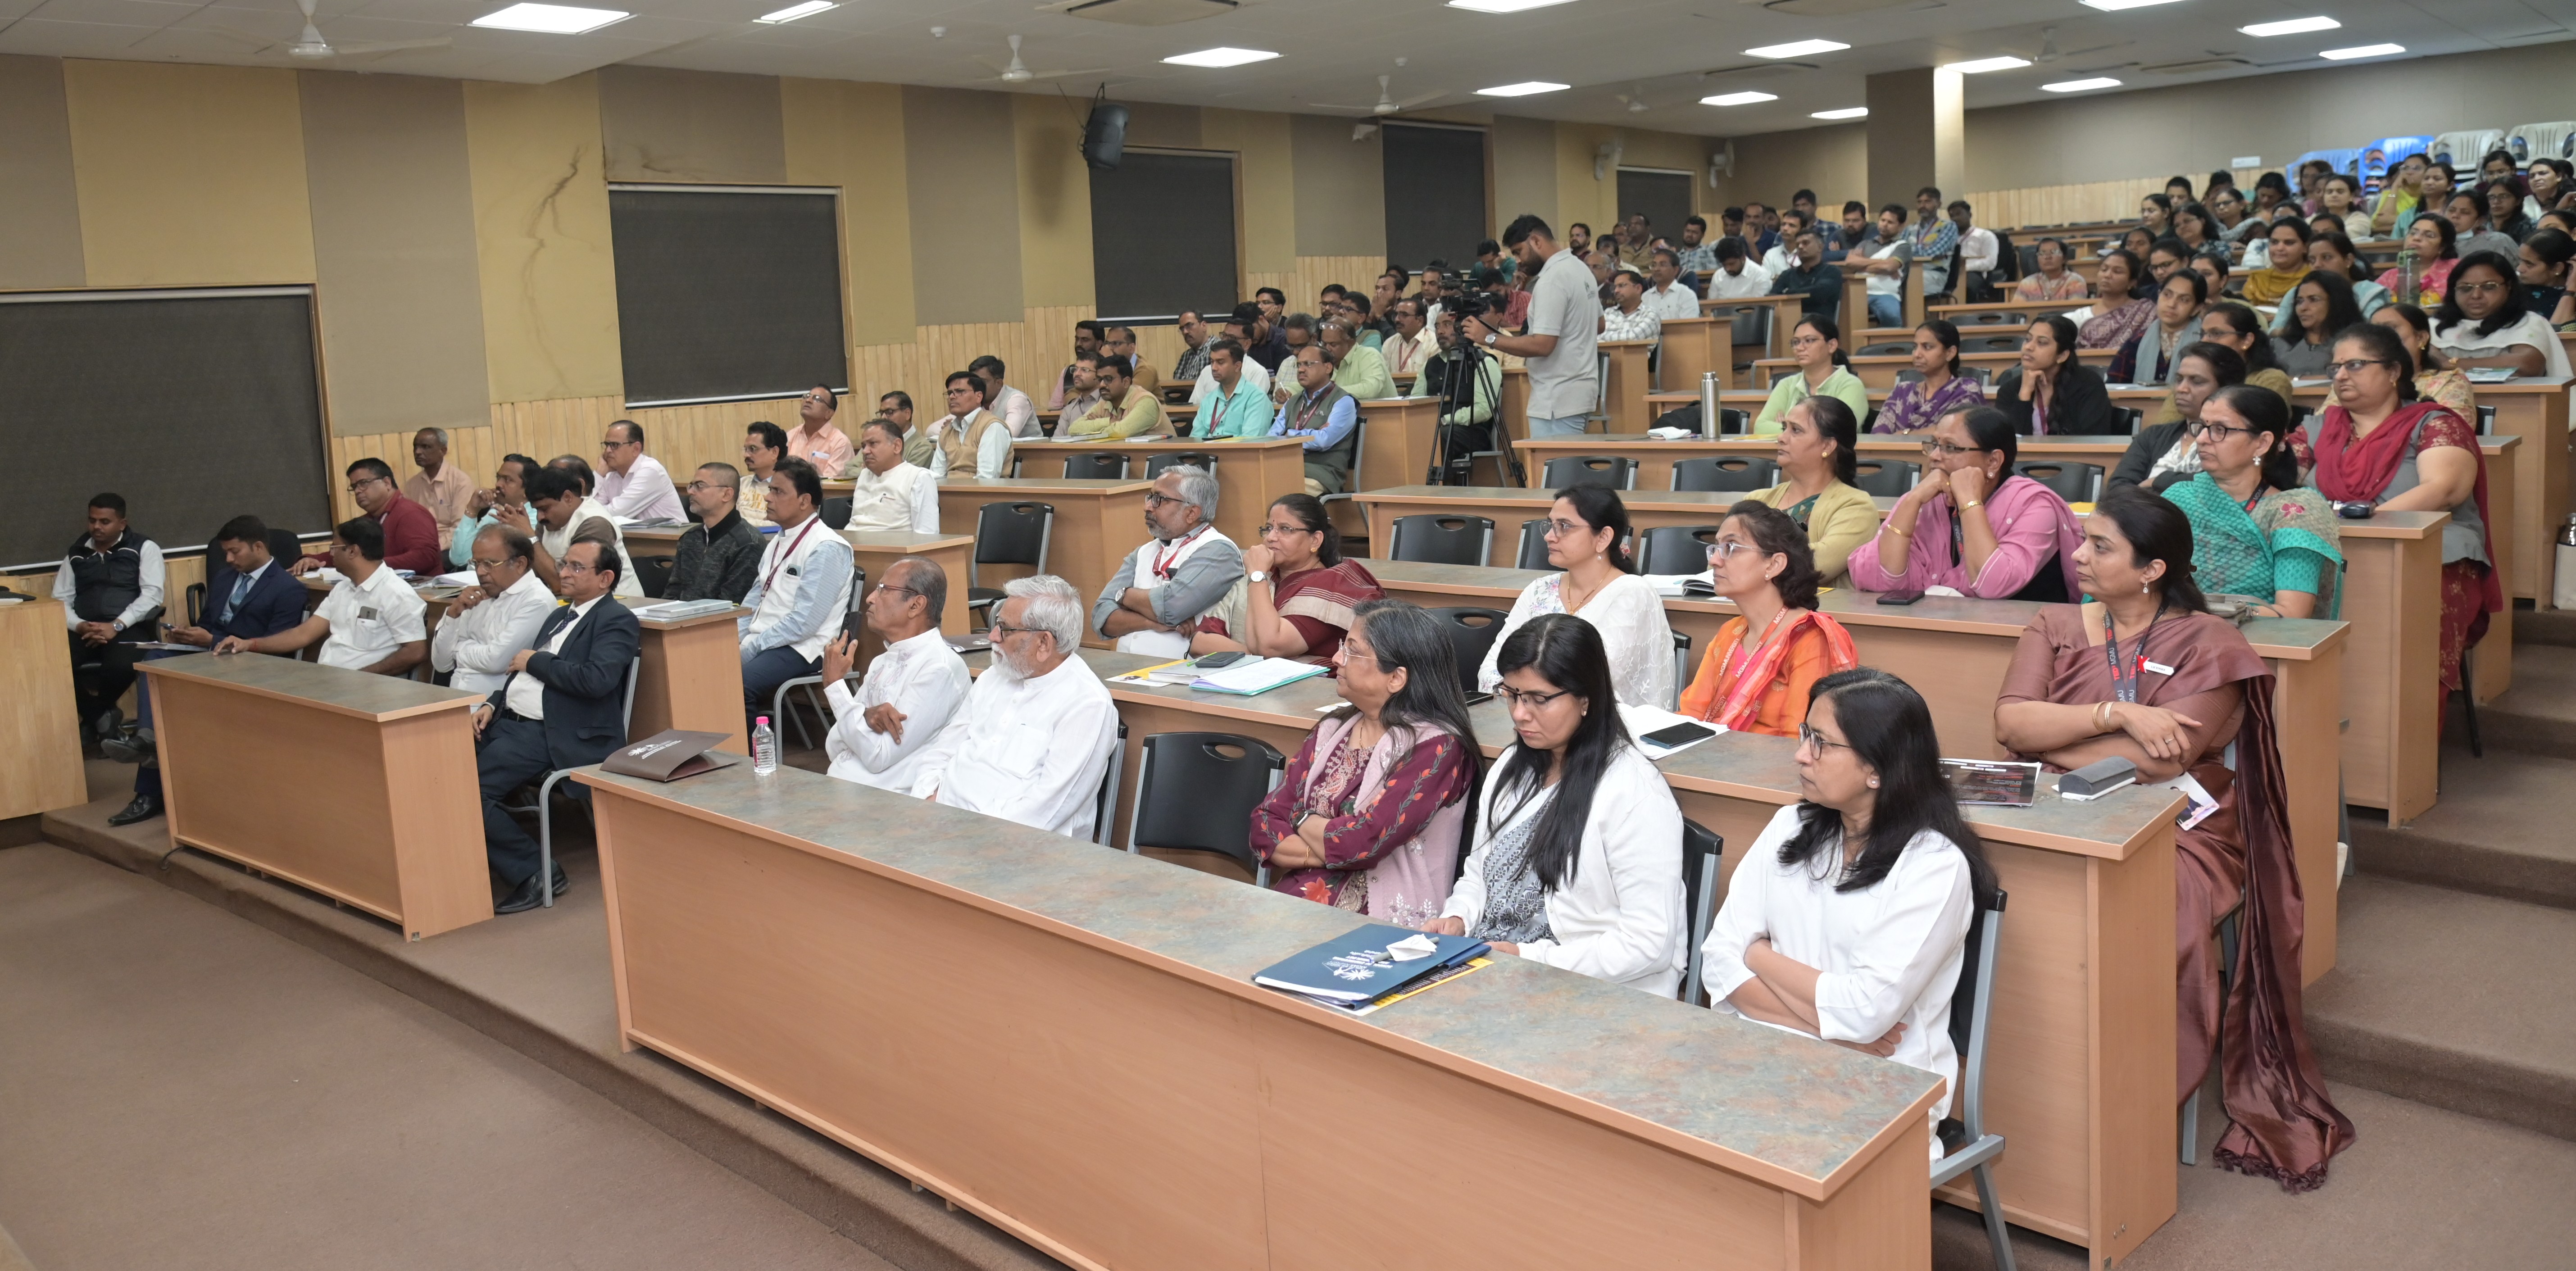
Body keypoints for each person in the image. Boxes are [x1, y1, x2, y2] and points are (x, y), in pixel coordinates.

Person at [1994, 486, 2354, 1190]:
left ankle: (2122, 1095)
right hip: (2051, 805)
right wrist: (2117, 713)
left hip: (2178, 826)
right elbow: (2010, 725)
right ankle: (2025, 1079)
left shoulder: (2209, 641)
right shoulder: (2055, 622)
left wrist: (2061, 736)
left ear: (2151, 569)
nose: (2079, 556)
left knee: (2151, 901)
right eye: (2083, 540)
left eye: (2100, 546)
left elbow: (2158, 764)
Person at [1704, 668, 1991, 1150]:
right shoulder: (1789, 824)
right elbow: (1717, 960)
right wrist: (1831, 1033)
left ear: (1877, 768)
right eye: (1804, 735)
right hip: (1766, 1052)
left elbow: (1864, 1014)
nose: (1801, 754)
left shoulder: (1934, 867)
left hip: (1880, 1086)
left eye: (1820, 742)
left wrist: (1758, 956)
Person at [1430, 614, 1684, 994]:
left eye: (1539, 699)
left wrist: (1531, 959)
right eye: (1512, 694)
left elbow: (1649, 944)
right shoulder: (1510, 767)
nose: (1519, 713)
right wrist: (1458, 917)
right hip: (1496, 963)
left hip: (1587, 986)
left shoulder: (1634, 793)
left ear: (1586, 699)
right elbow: (1479, 875)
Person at [1250, 599, 1479, 925]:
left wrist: (1301, 818)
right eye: (1343, 645)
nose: (1336, 658)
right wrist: (1327, 853)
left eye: (1353, 651)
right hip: (1301, 902)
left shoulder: (1437, 747)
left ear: (1396, 678)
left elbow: (1362, 844)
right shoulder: (1332, 729)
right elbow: (1264, 824)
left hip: (1381, 921)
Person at [2307, 322, 2499, 694]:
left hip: (2427, 554)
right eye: (2335, 368)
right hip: (2328, 548)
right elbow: (2278, 487)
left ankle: (2408, 731)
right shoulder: (2316, 430)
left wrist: (2358, 522)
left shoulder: (2434, 422)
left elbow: (2444, 489)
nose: (2341, 375)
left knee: (2409, 623)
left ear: (2394, 371)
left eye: (2355, 365)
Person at [468, 536, 640, 914]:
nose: (564, 572)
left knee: (468, 792)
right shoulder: (560, 614)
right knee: (435, 768)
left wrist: (535, 663)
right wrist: (492, 703)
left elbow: (596, 680)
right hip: (508, 722)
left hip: (556, 732)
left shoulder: (616, 620)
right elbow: (521, 674)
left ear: (605, 578)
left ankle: (537, 872)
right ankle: (459, 869)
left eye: (577, 567)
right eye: (564, 564)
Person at [104, 515, 304, 824]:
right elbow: (211, 623)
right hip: (209, 653)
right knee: (153, 659)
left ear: (259, 547)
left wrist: (214, 640)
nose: (227, 559)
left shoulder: (287, 588)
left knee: (164, 706)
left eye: (235, 552)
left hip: (250, 664)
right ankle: (148, 744)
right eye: (225, 552)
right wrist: (190, 634)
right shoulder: (225, 578)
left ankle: (148, 774)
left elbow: (277, 645)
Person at [911, 574, 1118, 839]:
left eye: (1006, 629)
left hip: (1015, 848)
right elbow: (941, 751)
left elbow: (1046, 811)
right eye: (997, 624)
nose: (993, 636)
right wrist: (926, 798)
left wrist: (965, 834)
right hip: (941, 824)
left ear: (1044, 643)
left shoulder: (1087, 705)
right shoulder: (993, 677)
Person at [1852, 405, 2083, 600]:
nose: (1934, 456)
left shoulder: (2035, 506)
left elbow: (1994, 585)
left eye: (1950, 448)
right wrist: (1912, 500)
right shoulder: (1930, 500)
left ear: (1993, 461)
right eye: (1934, 444)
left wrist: (1969, 501)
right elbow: (1876, 579)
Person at [1476, 486, 1674, 708]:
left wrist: (1521, 692)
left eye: (1564, 527)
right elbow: (1491, 670)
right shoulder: (1538, 590)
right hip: (1526, 721)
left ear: (1604, 537)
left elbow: (1594, 683)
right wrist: (1533, 697)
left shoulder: (1632, 593)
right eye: (1551, 525)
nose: (1549, 536)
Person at [1676, 502, 1859, 735]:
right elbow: (1692, 714)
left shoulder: (1811, 639)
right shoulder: (1731, 632)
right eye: (1716, 548)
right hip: (1710, 760)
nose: (1715, 560)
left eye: (1731, 547)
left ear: (1774, 564)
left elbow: (1800, 741)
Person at [2170, 386, 2344, 618]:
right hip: (2170, 636)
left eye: (2219, 429)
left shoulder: (2295, 512)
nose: (2201, 439)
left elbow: (2291, 614)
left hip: (2256, 644)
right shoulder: (2178, 499)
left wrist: (2201, 615)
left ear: (2262, 443)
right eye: (2201, 427)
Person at [815, 556, 968, 793]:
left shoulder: (940, 668)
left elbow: (878, 756)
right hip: (841, 785)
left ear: (916, 605)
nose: (870, 598)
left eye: (883, 590)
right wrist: (865, 716)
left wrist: (835, 686)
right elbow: (835, 744)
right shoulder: (882, 661)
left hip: (883, 802)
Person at [216, 517, 426, 675]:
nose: (331, 554)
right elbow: (302, 635)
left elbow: (415, 652)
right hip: (329, 679)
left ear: (352, 552)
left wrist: (363, 677)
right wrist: (250, 644)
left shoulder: (397, 594)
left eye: (334, 548)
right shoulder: (343, 589)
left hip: (370, 686)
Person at [1189, 494, 1383, 664]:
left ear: (1315, 540)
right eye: (1268, 529)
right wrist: (1256, 657)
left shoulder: (1332, 586)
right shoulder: (1264, 577)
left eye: (1285, 529)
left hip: (1312, 693)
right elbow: (1200, 641)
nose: (1271, 538)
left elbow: (1271, 645)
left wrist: (1257, 577)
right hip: (1250, 685)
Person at [735, 457, 854, 721]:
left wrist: (752, 647)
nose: (768, 498)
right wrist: (734, 637)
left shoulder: (826, 547)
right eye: (770, 490)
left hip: (806, 647)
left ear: (804, 501)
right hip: (767, 640)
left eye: (778, 491)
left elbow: (805, 623)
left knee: (738, 685)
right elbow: (755, 598)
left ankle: (749, 759)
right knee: (709, 666)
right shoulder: (777, 540)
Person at [1466, 214, 1598, 442]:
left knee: (1554, 475)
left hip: (1556, 398)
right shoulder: (1580, 268)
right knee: (1567, 473)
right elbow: (1600, 324)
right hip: (1579, 390)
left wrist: (1489, 338)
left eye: (1519, 251)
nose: (1517, 261)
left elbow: (1543, 344)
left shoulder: (1552, 279)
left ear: (1536, 241)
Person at [1093, 465, 1242, 658]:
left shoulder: (1219, 551)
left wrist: (1124, 596)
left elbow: (1171, 607)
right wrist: (1151, 622)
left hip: (1183, 674)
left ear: (1192, 513)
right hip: (1125, 666)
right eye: (1150, 497)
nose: (1147, 507)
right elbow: (1101, 617)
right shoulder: (1143, 552)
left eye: (1160, 500)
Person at [56, 493, 164, 744]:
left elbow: (152, 596)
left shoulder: (145, 548)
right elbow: (60, 600)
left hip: (128, 626)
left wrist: (116, 625)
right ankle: (101, 717)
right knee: (52, 666)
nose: (96, 527)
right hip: (84, 628)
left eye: (105, 522)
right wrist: (80, 625)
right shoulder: (76, 553)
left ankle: (94, 720)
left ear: (122, 523)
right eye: (92, 520)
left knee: (122, 666)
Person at [1749, 398, 1878, 584]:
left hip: (1820, 612)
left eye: (1796, 430)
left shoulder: (1856, 507)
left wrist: (1747, 558)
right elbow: (1720, 560)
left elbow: (1816, 565)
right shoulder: (1756, 501)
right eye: (1783, 428)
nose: (1781, 438)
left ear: (1827, 446)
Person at [431, 526, 557, 693]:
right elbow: (441, 664)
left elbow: (496, 661)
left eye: (489, 564)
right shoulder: (477, 595)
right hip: (454, 700)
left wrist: (458, 650)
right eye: (476, 563)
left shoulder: (537, 601)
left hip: (494, 708)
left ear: (520, 564)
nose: (480, 572)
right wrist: (453, 615)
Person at [2113, 342, 2250, 492]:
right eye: (2179, 380)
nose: (2181, 389)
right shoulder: (2154, 436)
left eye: (2197, 382)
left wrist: (2160, 481)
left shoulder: (2237, 439)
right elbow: (2118, 486)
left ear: (2225, 388)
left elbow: (2221, 485)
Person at [2433, 250, 2575, 377]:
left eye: (2489, 287)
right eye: (2465, 288)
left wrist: (2449, 363)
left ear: (2509, 287)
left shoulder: (2527, 322)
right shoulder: (2433, 326)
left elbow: (2525, 365)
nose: (2476, 295)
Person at [517, 466, 643, 599]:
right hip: (571, 602)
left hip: (617, 604)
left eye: (545, 509)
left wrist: (530, 537)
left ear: (568, 498)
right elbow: (534, 572)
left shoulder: (595, 523)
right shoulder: (548, 521)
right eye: (537, 510)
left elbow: (563, 584)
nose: (540, 517)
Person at [298, 458, 439, 576]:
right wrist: (311, 559)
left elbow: (425, 557)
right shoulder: (368, 520)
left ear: (387, 483)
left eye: (363, 484)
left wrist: (370, 565)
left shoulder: (411, 513)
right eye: (354, 487)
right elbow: (347, 552)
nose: (358, 491)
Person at [1995, 314, 2120, 435]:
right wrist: (2025, 394)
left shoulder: (2089, 386)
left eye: (2042, 343)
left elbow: (2093, 439)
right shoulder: (2009, 389)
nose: (2028, 347)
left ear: (2062, 356)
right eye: (2028, 339)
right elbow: (2008, 443)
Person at [1268, 345, 1361, 495]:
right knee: (1257, 484)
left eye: (1309, 364)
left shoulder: (1343, 401)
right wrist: (1311, 435)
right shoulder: (1292, 402)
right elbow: (1271, 438)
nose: (1301, 370)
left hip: (1322, 473)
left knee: (1278, 491)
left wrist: (1289, 435)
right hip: (1288, 467)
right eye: (1299, 365)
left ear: (1328, 368)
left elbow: (1325, 440)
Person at [1752, 315, 1868, 435]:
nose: (1800, 348)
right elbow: (1760, 428)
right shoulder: (1787, 385)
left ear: (1832, 345)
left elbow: (1839, 431)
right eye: (1796, 342)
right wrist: (1800, 429)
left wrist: (1787, 426)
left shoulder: (1850, 386)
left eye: (1809, 340)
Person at [1418, 309, 1502, 474]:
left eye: (1447, 325)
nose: (1440, 331)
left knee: (1439, 436)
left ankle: (1441, 487)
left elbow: (1484, 410)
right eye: (1437, 327)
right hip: (1436, 425)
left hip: (1472, 431)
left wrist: (1445, 420)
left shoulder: (1484, 362)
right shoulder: (1430, 364)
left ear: (1464, 328)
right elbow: (1416, 400)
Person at [668, 462, 763, 603]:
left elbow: (732, 605)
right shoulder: (690, 538)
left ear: (727, 494)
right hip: (682, 620)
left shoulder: (747, 543)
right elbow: (672, 592)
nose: (691, 492)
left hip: (718, 622)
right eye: (691, 486)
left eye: (700, 486)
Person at [1872, 321, 1981, 435]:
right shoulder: (1903, 391)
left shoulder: (1966, 390)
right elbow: (1878, 434)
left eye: (1927, 347)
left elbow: (1954, 430)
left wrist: (1906, 435)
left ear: (1950, 353)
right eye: (1915, 347)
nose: (1917, 354)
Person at [2373, 302, 2477, 420]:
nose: (2379, 338)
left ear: (2421, 338)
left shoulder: (2448, 383)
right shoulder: (2364, 382)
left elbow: (2451, 432)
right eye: (2373, 331)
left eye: (2390, 329)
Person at [2109, 270, 2207, 386]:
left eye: (2184, 300)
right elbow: (2114, 387)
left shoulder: (2206, 343)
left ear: (2197, 308)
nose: (2172, 304)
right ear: (2159, 295)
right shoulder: (2137, 342)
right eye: (2167, 295)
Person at [844, 417, 939, 534]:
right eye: (864, 446)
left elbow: (927, 534)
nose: (865, 451)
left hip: (890, 549)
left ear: (897, 446)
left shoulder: (918, 478)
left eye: (873, 444)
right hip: (851, 544)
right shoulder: (865, 475)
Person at [447, 454, 539, 568]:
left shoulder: (536, 519)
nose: (498, 484)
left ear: (528, 490)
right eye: (498, 478)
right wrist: (472, 510)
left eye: (508, 480)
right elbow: (459, 559)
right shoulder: (495, 513)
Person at [2280, 233, 2389, 330]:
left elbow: (2374, 333)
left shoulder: (2370, 293)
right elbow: (2275, 330)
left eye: (2327, 258)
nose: (2317, 265)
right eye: (2312, 260)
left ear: (2348, 260)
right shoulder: (2299, 293)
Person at [2274, 272, 2367, 378]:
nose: (2303, 308)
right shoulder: (2280, 346)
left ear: (2336, 303)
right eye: (2299, 301)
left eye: (2313, 300)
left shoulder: (2357, 346)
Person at [588, 420, 681, 522]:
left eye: (615, 445)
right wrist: (599, 474)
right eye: (607, 445)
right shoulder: (610, 476)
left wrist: (591, 512)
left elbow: (617, 513)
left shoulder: (650, 470)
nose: (608, 451)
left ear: (636, 449)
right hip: (638, 537)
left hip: (674, 536)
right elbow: (587, 509)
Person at [927, 372, 1015, 478]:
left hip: (981, 493)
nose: (952, 397)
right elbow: (936, 476)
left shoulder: (992, 426)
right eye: (950, 393)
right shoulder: (947, 432)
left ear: (979, 397)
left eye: (960, 392)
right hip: (949, 493)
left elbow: (987, 479)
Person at [402, 427, 477, 552]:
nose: (418, 452)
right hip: (420, 547)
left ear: (443, 451)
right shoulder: (412, 485)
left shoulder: (460, 482)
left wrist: (434, 547)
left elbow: (461, 528)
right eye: (416, 447)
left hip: (450, 548)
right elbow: (408, 526)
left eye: (425, 447)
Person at [1066, 355, 1172, 440]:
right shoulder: (1105, 403)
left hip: (1164, 462)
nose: (1102, 385)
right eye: (1099, 379)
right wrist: (1109, 421)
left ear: (1126, 382)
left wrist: (1093, 427)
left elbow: (1121, 432)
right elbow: (1074, 429)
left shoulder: (1145, 401)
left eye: (1108, 379)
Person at [1846, 204, 1915, 328]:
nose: (1885, 225)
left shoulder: (1902, 246)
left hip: (1885, 294)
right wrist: (1881, 263)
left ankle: (1891, 346)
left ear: (1901, 226)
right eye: (1883, 220)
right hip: (1858, 291)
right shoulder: (1866, 243)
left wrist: (1861, 263)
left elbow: (1889, 267)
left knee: (1892, 317)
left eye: (1890, 222)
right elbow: (1850, 262)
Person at [2072, 250, 2154, 352]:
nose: (2107, 275)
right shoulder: (2078, 317)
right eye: (2104, 270)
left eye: (2117, 272)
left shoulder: (2146, 312)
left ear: (2132, 282)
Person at [2375, 212, 2460, 308]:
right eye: (2413, 233)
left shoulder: (2456, 269)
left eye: (2429, 236)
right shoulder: (2390, 276)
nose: (2417, 238)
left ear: (2443, 247)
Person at [1195, 339, 1272, 441]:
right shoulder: (1208, 400)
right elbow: (1195, 439)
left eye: (1220, 362)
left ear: (1237, 366)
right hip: (1207, 455)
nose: (1214, 368)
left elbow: (1252, 441)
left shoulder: (1256, 398)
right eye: (1212, 362)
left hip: (1240, 456)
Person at [1770, 231, 1844, 323]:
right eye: (1798, 245)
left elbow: (1819, 294)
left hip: (1819, 324)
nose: (1800, 247)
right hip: (1788, 321)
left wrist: (1787, 292)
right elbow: (1772, 298)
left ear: (1820, 247)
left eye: (1805, 243)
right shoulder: (1787, 274)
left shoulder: (1831, 271)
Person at [1319, 318, 1397, 403]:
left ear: (1350, 343)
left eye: (1333, 345)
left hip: (1383, 414)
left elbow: (1371, 389)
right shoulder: (1324, 362)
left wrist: (1331, 392)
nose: (1327, 349)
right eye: (1324, 344)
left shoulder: (1369, 355)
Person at [784, 384, 854, 477]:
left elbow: (831, 482)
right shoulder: (791, 436)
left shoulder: (840, 442)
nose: (808, 401)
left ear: (829, 413)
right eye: (807, 396)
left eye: (817, 399)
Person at [2240, 220, 2312, 309]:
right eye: (2274, 242)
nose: (2280, 248)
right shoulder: (2257, 280)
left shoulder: (2313, 279)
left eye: (2289, 243)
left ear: (2306, 247)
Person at [968, 355, 1038, 439]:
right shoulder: (975, 398)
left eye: (982, 382)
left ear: (999, 384)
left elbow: (1009, 433)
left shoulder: (1017, 399)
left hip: (1026, 451)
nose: (976, 387)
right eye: (974, 382)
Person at [2516, 229, 2576, 327]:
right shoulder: (2512, 295)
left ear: (2557, 268)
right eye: (2520, 261)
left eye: (2529, 264)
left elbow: (2556, 336)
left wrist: (2571, 290)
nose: (2520, 269)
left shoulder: (2572, 299)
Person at [1046, 320, 1105, 409]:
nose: (1079, 344)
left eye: (1085, 340)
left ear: (1099, 343)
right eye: (1077, 339)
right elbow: (1054, 408)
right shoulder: (1069, 372)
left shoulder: (1111, 370)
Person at [2367, 153, 2429, 238]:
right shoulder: (2392, 194)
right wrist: (2395, 187)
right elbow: (2381, 221)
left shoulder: (2430, 195)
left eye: (2417, 168)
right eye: (2406, 168)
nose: (2410, 172)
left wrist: (2396, 220)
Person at [1380, 297, 1436, 389]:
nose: (1397, 320)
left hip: (1424, 395)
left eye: (1404, 315)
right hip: (1394, 397)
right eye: (1396, 315)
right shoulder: (1389, 343)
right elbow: (1383, 378)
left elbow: (1433, 379)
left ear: (1420, 321)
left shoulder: (1433, 342)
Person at [1600, 268, 1661, 349]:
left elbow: (1632, 338)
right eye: (1615, 287)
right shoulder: (1609, 312)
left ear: (1638, 289)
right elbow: (1594, 336)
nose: (1616, 291)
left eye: (1621, 286)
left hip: (1633, 360)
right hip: (1604, 359)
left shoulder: (1650, 314)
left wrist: (1603, 338)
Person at [739, 422, 786, 524]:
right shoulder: (741, 484)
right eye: (746, 449)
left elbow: (781, 525)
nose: (746, 455)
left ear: (774, 453)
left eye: (753, 449)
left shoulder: (786, 488)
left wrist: (740, 524)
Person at [2016, 237, 2089, 302]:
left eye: (2054, 252)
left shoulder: (2076, 282)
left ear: (2064, 258)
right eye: (2042, 253)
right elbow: (2017, 312)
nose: (2048, 257)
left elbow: (2076, 313)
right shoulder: (2027, 284)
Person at [1703, 236, 1773, 300]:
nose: (1728, 269)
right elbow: (1710, 306)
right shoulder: (1718, 276)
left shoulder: (1760, 275)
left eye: (1732, 264)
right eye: (1724, 265)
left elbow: (1760, 307)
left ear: (1743, 258)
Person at [1100, 327, 1163, 397]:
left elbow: (1129, 396)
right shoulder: (1117, 367)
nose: (1110, 348)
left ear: (1132, 348)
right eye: (1107, 343)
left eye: (1116, 343)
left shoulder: (1146, 370)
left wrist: (1109, 360)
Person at [1640, 248, 1699, 322]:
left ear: (1675, 270)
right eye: (1654, 265)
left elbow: (1688, 326)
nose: (1656, 269)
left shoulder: (1687, 295)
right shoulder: (1646, 297)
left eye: (1663, 265)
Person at [2486, 174, 2538, 245]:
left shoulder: (2532, 227)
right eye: (2491, 197)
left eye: (2504, 196)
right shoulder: (2480, 226)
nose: (2496, 202)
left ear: (2518, 201)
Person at [1170, 309, 1214, 386]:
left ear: (1204, 326)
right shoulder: (1186, 356)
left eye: (1189, 326)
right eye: (1182, 329)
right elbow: (1176, 384)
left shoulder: (1217, 349)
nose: (1185, 332)